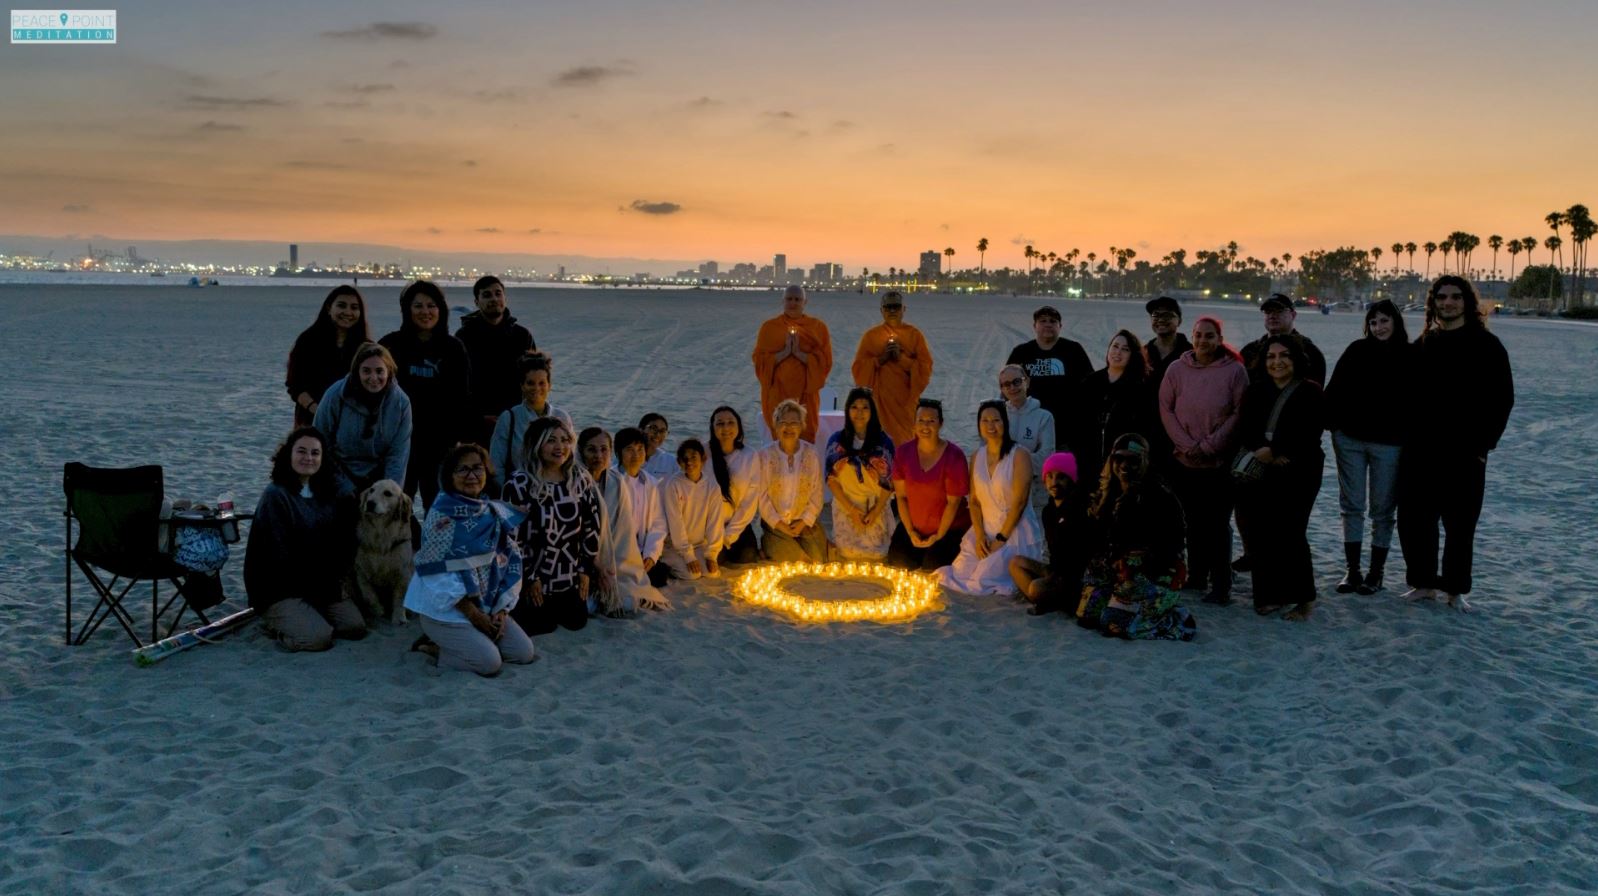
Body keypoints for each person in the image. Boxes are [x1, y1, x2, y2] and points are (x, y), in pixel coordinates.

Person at [1397, 276, 1514, 612]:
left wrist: (1482, 447)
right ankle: (1423, 583)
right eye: (1441, 297)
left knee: (1460, 526)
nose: (1447, 303)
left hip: (1466, 454)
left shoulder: (1488, 346)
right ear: (1433, 303)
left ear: (1467, 302)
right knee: (1417, 522)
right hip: (1420, 452)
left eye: (1455, 297)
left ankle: (1455, 590)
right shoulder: (1423, 345)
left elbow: (1502, 399)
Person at [402, 443, 537, 675]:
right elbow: (436, 573)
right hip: (446, 607)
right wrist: (474, 616)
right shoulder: (442, 517)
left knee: (522, 653)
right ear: (449, 476)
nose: (472, 475)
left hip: (487, 604)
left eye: (478, 468)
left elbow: (509, 563)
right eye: (462, 470)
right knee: (489, 663)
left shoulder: (490, 512)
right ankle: (435, 648)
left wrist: (501, 611)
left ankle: (463, 642)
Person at [244, 427, 363, 651]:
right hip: (280, 587)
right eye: (301, 451)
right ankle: (280, 626)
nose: (308, 458)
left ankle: (306, 617)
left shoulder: (327, 492)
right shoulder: (276, 496)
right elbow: (276, 556)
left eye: (315, 453)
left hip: (319, 583)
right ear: (289, 454)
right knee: (318, 639)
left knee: (354, 627)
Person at [1157, 316, 1248, 606]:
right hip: (1184, 461)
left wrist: (1209, 446)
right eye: (1198, 335)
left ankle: (1221, 585)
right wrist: (1186, 445)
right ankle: (1196, 576)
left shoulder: (1234, 371)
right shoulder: (1176, 369)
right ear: (1191, 337)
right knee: (1192, 522)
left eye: (1209, 336)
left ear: (1219, 339)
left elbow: (1238, 413)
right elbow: (1165, 408)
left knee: (1217, 524)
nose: (1202, 341)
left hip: (1219, 463)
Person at [1323, 300, 1413, 594]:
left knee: (1383, 508)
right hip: (1350, 440)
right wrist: (1333, 424)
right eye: (1373, 322)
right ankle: (1352, 570)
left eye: (1384, 321)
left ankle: (1376, 572)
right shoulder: (1356, 351)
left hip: (1389, 444)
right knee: (1351, 505)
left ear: (1396, 322)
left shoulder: (1410, 355)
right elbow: (1334, 390)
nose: (1379, 328)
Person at [1234, 336, 1326, 620]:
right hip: (1261, 468)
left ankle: (1304, 599)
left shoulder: (1311, 392)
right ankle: (1268, 595)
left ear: (1296, 358)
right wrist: (1265, 451)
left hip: (1300, 470)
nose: (1277, 361)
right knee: (1260, 531)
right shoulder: (1256, 390)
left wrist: (1276, 450)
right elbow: (1246, 426)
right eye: (1271, 356)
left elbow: (1310, 432)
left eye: (1284, 355)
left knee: (1291, 532)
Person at [1074, 434, 1195, 640]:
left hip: (1154, 570)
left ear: (1145, 461)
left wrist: (1136, 562)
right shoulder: (1107, 495)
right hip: (1118, 571)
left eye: (1133, 460)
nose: (1124, 465)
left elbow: (1171, 544)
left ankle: (1175, 617)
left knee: (1115, 625)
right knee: (1087, 617)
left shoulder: (1160, 496)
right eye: (1119, 458)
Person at [502, 416, 602, 634]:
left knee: (576, 622)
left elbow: (592, 527)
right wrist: (530, 578)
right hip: (533, 576)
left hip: (568, 576)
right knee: (540, 626)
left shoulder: (579, 478)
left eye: (565, 440)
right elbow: (512, 538)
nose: (560, 447)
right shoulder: (519, 483)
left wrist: (585, 569)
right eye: (551, 441)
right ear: (536, 445)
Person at [378, 280, 472, 510]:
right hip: (399, 442)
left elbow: (462, 397)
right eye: (418, 305)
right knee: (395, 506)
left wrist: (457, 438)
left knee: (438, 508)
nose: (425, 312)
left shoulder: (453, 348)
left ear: (441, 309)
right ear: (407, 310)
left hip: (439, 444)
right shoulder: (391, 345)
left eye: (431, 305)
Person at [936, 400, 1043, 595]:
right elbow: (974, 501)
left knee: (983, 580)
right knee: (959, 573)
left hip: (1012, 532)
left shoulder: (1019, 455)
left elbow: (1020, 502)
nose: (990, 426)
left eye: (996, 420)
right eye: (985, 421)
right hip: (985, 529)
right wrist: (979, 536)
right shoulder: (977, 456)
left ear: (1005, 423)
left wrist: (1001, 539)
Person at [579, 426, 668, 614]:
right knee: (588, 606)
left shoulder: (615, 482)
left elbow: (623, 533)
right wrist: (595, 566)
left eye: (604, 449)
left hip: (616, 559)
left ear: (610, 452)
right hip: (582, 562)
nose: (598, 455)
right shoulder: (574, 483)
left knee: (628, 602)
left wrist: (650, 554)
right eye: (591, 449)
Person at [312, 342, 413, 494]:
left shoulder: (401, 403)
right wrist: (344, 487)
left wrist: (388, 494)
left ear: (389, 371)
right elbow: (320, 443)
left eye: (380, 371)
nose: (373, 378)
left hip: (377, 480)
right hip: (338, 475)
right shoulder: (335, 395)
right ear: (356, 372)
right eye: (366, 371)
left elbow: (397, 456)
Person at [887, 399, 971, 571]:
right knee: (899, 562)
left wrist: (938, 536)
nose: (925, 426)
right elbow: (901, 497)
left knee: (932, 567)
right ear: (915, 423)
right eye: (921, 420)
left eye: (931, 421)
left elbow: (953, 503)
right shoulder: (903, 453)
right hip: (914, 526)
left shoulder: (954, 456)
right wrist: (910, 531)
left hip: (948, 529)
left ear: (940, 424)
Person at [1008, 452, 1093, 616]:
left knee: (1035, 588)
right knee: (1015, 563)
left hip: (1073, 576)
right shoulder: (1049, 511)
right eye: (1050, 477)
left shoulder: (1079, 509)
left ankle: (1048, 600)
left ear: (1071, 480)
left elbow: (1080, 556)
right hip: (1054, 570)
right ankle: (1047, 600)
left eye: (1061, 477)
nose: (1054, 482)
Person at [1069, 330, 1159, 482]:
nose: (1118, 352)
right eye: (1115, 346)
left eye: (1125, 349)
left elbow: (1146, 428)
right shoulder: (1091, 382)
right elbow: (1076, 421)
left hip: (1123, 466)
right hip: (1088, 464)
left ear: (1133, 355)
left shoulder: (1140, 388)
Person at [459, 275, 536, 447]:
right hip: (477, 426)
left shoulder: (522, 336)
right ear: (477, 302)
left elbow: (536, 379)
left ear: (505, 298)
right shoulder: (464, 337)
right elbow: (457, 385)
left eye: (498, 293)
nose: (494, 299)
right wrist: (477, 418)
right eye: (487, 295)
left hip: (516, 422)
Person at [850, 290, 934, 445]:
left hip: (905, 404)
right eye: (888, 307)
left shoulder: (914, 335)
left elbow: (925, 369)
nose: (892, 310)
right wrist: (881, 359)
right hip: (878, 403)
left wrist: (901, 359)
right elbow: (859, 371)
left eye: (896, 306)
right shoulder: (871, 336)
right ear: (882, 310)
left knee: (904, 445)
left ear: (904, 309)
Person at [752, 285, 833, 442]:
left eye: (797, 299)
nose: (793, 303)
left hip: (806, 395)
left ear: (805, 302)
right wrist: (783, 354)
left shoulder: (818, 328)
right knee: (780, 440)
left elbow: (825, 363)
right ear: (782, 301)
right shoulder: (769, 328)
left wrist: (800, 355)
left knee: (804, 442)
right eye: (789, 299)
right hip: (777, 393)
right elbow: (759, 362)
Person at [1005, 305, 1094, 449]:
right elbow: (1006, 385)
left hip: (1066, 426)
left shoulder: (1073, 350)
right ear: (1035, 326)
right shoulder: (1021, 352)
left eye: (1053, 321)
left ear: (1060, 326)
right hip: (1029, 421)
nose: (1048, 324)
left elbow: (1090, 383)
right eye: (1043, 321)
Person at [824, 387, 896, 560]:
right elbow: (831, 480)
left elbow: (889, 483)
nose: (859, 412)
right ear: (848, 410)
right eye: (854, 407)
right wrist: (852, 511)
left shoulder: (884, 442)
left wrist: (875, 511)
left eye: (865, 407)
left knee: (876, 554)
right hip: (846, 504)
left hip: (875, 506)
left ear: (872, 411)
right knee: (848, 553)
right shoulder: (836, 441)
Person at [286, 285, 371, 427]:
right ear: (328, 308)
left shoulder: (366, 348)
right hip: (312, 423)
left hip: (352, 425)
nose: (348, 312)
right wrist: (318, 410)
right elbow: (295, 385)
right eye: (342, 306)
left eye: (354, 307)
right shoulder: (308, 341)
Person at [488, 351, 573, 490]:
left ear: (549, 385)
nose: (536, 388)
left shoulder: (562, 417)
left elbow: (570, 461)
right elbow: (496, 464)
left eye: (542, 383)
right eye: (530, 383)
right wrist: (511, 493)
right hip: (518, 494)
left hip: (557, 494)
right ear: (522, 385)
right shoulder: (509, 418)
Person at [757, 399, 826, 562]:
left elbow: (817, 493)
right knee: (797, 560)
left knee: (817, 560)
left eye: (794, 423)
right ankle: (771, 543)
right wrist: (779, 524)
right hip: (776, 525)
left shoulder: (811, 454)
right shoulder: (765, 456)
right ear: (775, 425)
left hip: (803, 523)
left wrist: (803, 521)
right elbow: (761, 497)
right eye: (783, 422)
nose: (788, 427)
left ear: (802, 426)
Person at [615, 426, 672, 588]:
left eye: (640, 449)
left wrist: (651, 554)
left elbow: (658, 522)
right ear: (619, 453)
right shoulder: (613, 482)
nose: (636, 455)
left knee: (659, 577)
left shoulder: (651, 483)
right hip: (619, 550)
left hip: (641, 548)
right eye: (629, 450)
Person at [661, 439, 725, 579]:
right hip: (674, 546)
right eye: (685, 459)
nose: (689, 462)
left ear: (703, 459)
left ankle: (697, 558)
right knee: (691, 575)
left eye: (693, 457)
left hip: (699, 545)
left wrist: (712, 554)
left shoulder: (712, 486)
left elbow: (715, 522)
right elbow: (675, 522)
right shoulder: (674, 485)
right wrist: (688, 555)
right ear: (679, 462)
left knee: (712, 574)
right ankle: (666, 564)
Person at [709, 405, 763, 566]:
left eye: (730, 422)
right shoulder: (704, 453)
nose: (726, 428)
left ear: (738, 426)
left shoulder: (750, 455)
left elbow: (750, 501)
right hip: (709, 525)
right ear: (712, 427)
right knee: (716, 560)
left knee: (746, 556)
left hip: (738, 524)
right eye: (720, 423)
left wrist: (729, 535)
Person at [1240, 293, 1327, 386]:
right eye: (1268, 312)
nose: (1272, 316)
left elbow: (1314, 392)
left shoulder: (1309, 352)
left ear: (1293, 315)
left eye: (1279, 311)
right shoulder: (1250, 351)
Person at [998, 364, 1056, 459]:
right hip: (999, 474)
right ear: (1002, 389)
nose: (1012, 387)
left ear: (1027, 382)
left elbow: (1047, 456)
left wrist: (1015, 463)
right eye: (1007, 384)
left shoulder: (1044, 417)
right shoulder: (997, 416)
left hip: (1031, 473)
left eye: (1017, 382)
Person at [1144, 296, 1192, 388]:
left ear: (1179, 321)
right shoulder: (1142, 353)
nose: (1161, 320)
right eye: (1156, 315)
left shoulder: (1190, 354)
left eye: (1167, 315)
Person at [639, 413, 679, 480]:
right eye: (653, 428)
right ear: (641, 429)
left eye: (662, 431)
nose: (658, 434)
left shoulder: (672, 462)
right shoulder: (624, 457)